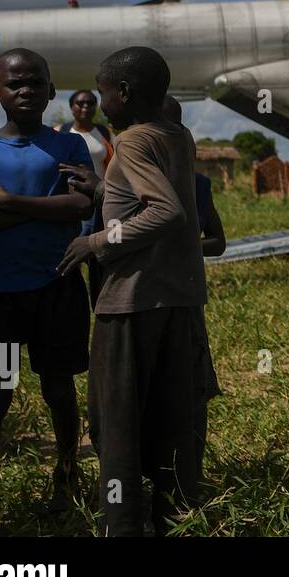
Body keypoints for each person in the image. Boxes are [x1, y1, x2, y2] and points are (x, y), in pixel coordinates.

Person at [57, 47, 206, 536]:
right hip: (179, 297)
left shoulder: (135, 139)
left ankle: (120, 525)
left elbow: (166, 211)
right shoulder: (176, 134)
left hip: (132, 300)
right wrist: (104, 189)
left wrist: (94, 240)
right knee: (172, 415)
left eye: (102, 92)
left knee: (116, 423)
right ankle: (172, 517)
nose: (99, 102)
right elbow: (163, 195)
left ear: (123, 92)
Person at [0, 49, 94, 526]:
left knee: (60, 390)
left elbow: (79, 206)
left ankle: (67, 478)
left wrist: (9, 202)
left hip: (57, 288)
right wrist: (42, 206)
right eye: (15, 84)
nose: (27, 91)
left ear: (52, 90)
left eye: (36, 82)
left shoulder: (69, 146)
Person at [162, 95, 225, 480]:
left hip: (186, 299)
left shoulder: (198, 184)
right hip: (143, 302)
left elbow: (217, 241)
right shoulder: (123, 181)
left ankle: (192, 473)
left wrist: (182, 245)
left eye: (174, 129)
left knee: (192, 386)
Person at [56, 90, 115, 302]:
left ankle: (99, 298)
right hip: (72, 201)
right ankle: (69, 295)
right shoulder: (61, 132)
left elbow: (113, 162)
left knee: (99, 251)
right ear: (72, 107)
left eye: (91, 103)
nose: (85, 107)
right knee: (71, 247)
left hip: (100, 199)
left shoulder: (104, 132)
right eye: (80, 103)